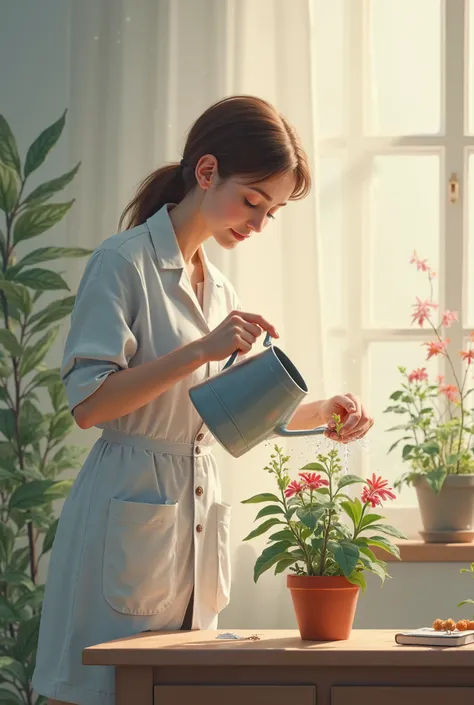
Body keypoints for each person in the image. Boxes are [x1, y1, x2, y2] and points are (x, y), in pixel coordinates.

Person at [32, 95, 373, 705]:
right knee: (101, 692)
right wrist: (199, 350)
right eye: (253, 201)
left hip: (190, 521)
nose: (260, 223)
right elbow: (89, 405)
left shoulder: (217, 285)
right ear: (207, 171)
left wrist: (324, 414)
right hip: (125, 509)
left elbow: (224, 415)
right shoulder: (123, 262)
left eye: (272, 212)